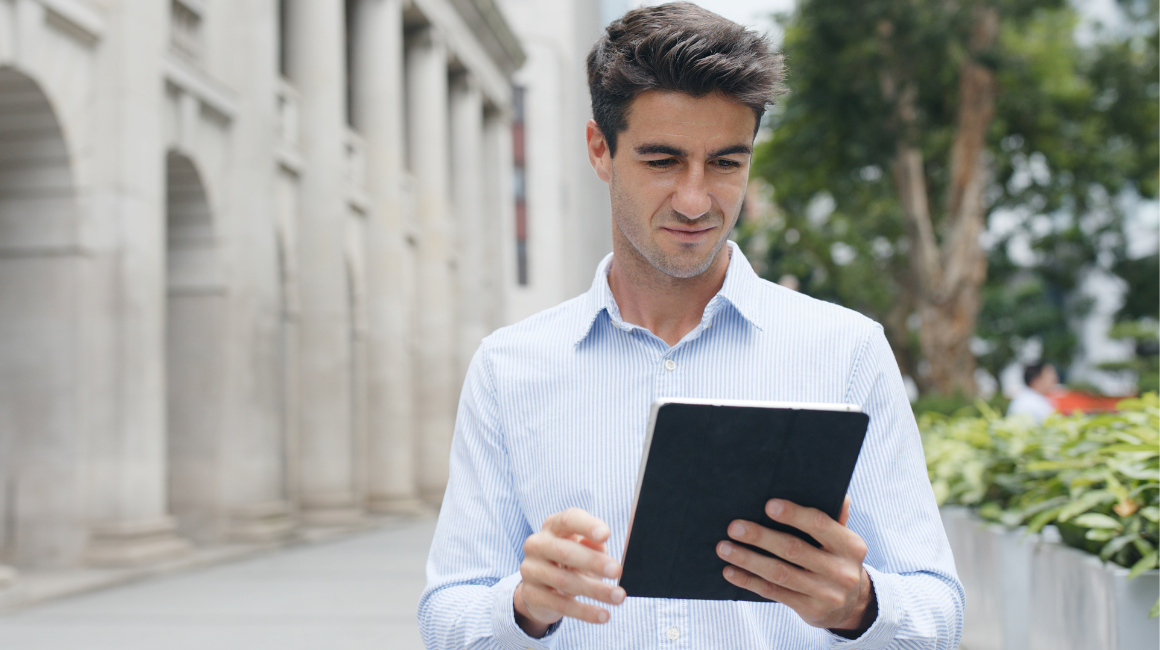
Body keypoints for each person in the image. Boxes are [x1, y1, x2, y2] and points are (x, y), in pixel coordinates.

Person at [418, 4, 964, 648]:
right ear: (600, 150)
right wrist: (521, 607)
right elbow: (446, 614)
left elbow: (939, 611)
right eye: (663, 161)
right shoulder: (509, 368)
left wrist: (860, 605)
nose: (696, 200)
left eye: (726, 163)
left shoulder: (847, 352)